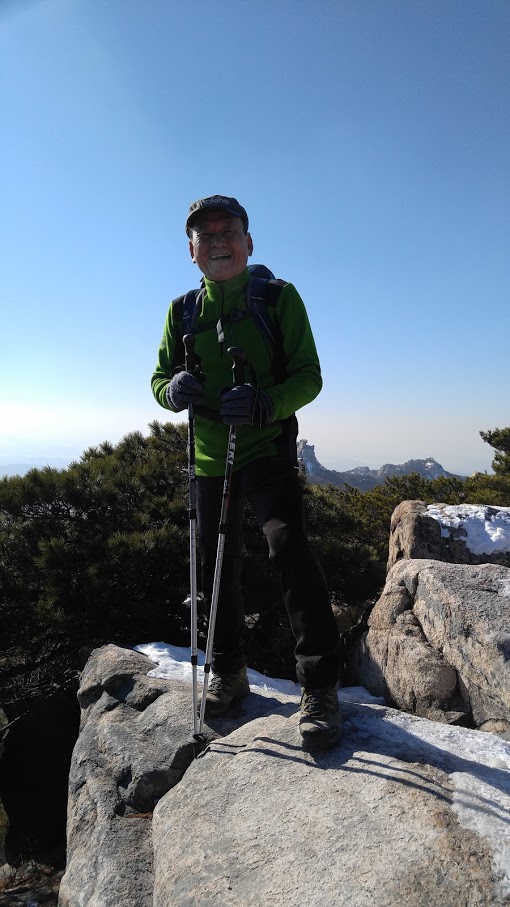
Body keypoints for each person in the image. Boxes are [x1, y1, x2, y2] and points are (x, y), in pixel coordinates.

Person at [151, 195, 341, 749]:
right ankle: (228, 671)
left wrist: (266, 402)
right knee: (214, 566)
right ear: (191, 251)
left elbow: (308, 375)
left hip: (265, 450)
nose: (217, 241)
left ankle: (319, 686)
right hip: (207, 458)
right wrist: (171, 391)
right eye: (205, 235)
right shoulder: (182, 310)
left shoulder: (278, 298)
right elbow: (159, 378)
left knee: (289, 550)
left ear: (248, 242)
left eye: (227, 231)